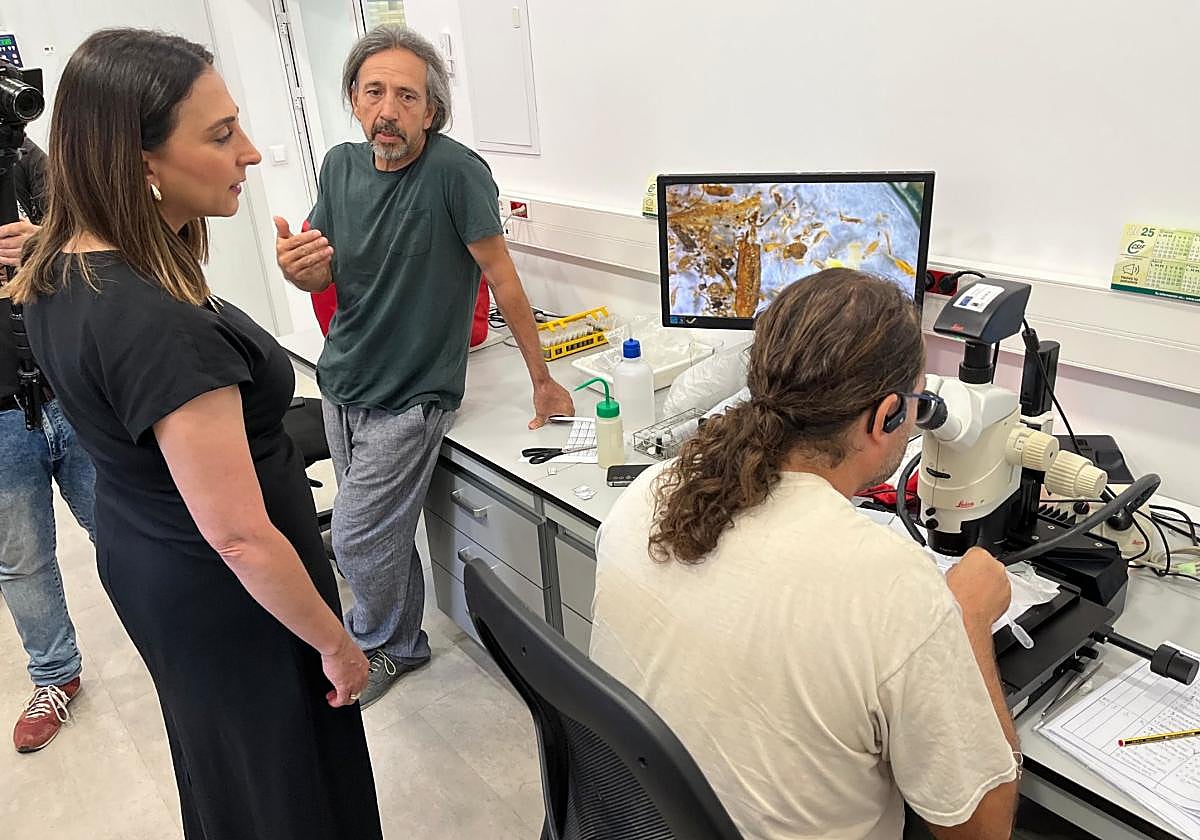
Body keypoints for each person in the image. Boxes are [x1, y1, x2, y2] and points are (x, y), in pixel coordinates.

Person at [10, 29, 382, 839]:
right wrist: (337, 643)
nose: (250, 152)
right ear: (139, 160)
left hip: (146, 555)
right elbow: (243, 538)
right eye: (219, 136)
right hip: (230, 593)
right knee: (290, 784)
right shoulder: (158, 326)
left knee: (232, 770)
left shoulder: (58, 268)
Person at [590, 269, 1020, 840]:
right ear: (886, 414)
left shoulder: (653, 488)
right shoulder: (891, 586)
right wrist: (966, 622)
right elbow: (981, 832)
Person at [274, 25, 574, 707]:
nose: (389, 109)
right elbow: (318, 269)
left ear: (430, 111)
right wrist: (298, 272)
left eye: (407, 96)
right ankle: (396, 638)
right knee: (376, 533)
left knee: (353, 536)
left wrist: (543, 378)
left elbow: (504, 277)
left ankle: (385, 646)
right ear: (353, 98)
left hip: (413, 396)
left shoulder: (455, 173)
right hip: (342, 384)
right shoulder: (340, 167)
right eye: (374, 91)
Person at [1, 136, 97, 754]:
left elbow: (99, 247)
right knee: (22, 559)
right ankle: (55, 676)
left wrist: (47, 248)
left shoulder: (27, 160)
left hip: (72, 387)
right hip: (0, 416)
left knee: (125, 526)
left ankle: (173, 637)